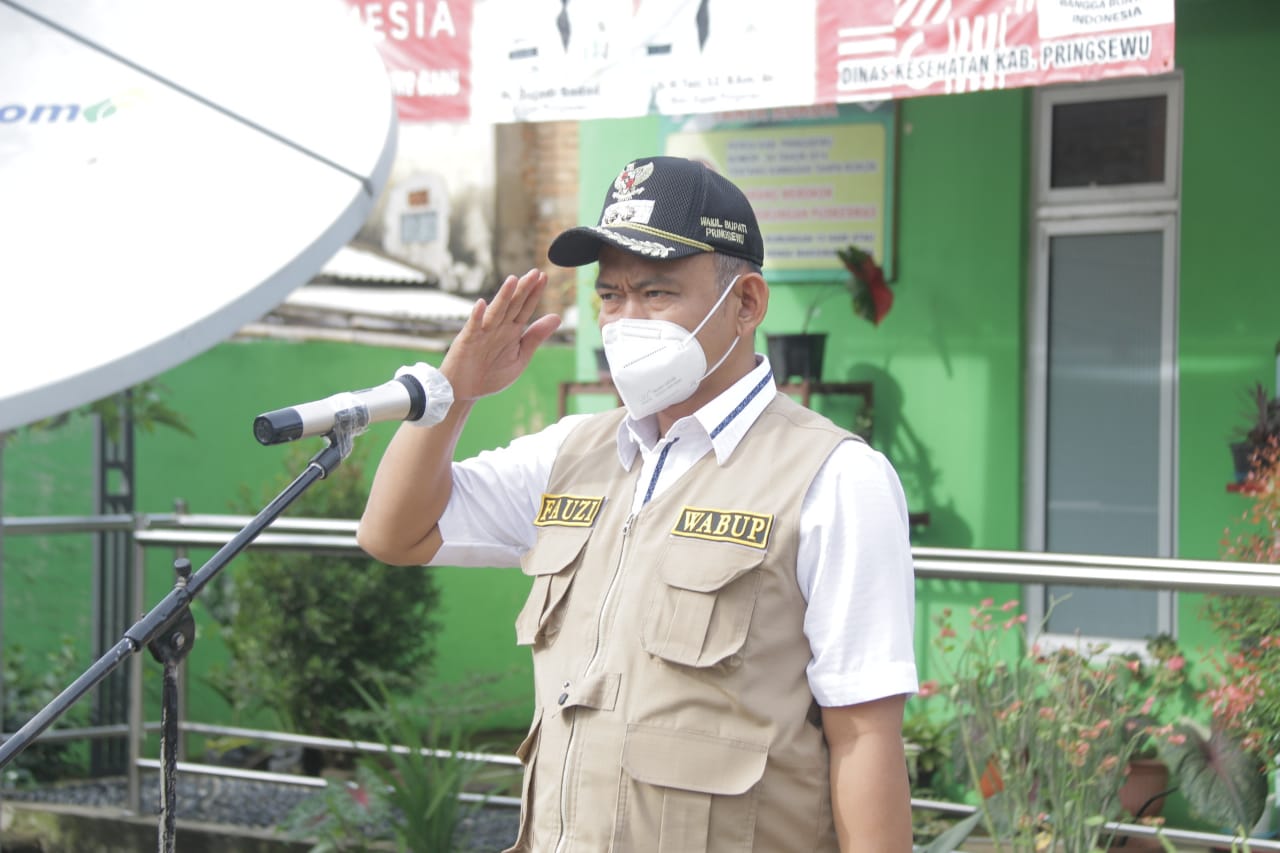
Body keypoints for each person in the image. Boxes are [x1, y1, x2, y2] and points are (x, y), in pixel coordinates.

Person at [358, 155, 918, 852]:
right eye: (612, 296)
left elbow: (864, 731)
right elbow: (396, 533)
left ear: (745, 303)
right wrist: (453, 393)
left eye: (655, 294)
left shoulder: (834, 476)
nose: (625, 320)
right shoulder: (572, 452)